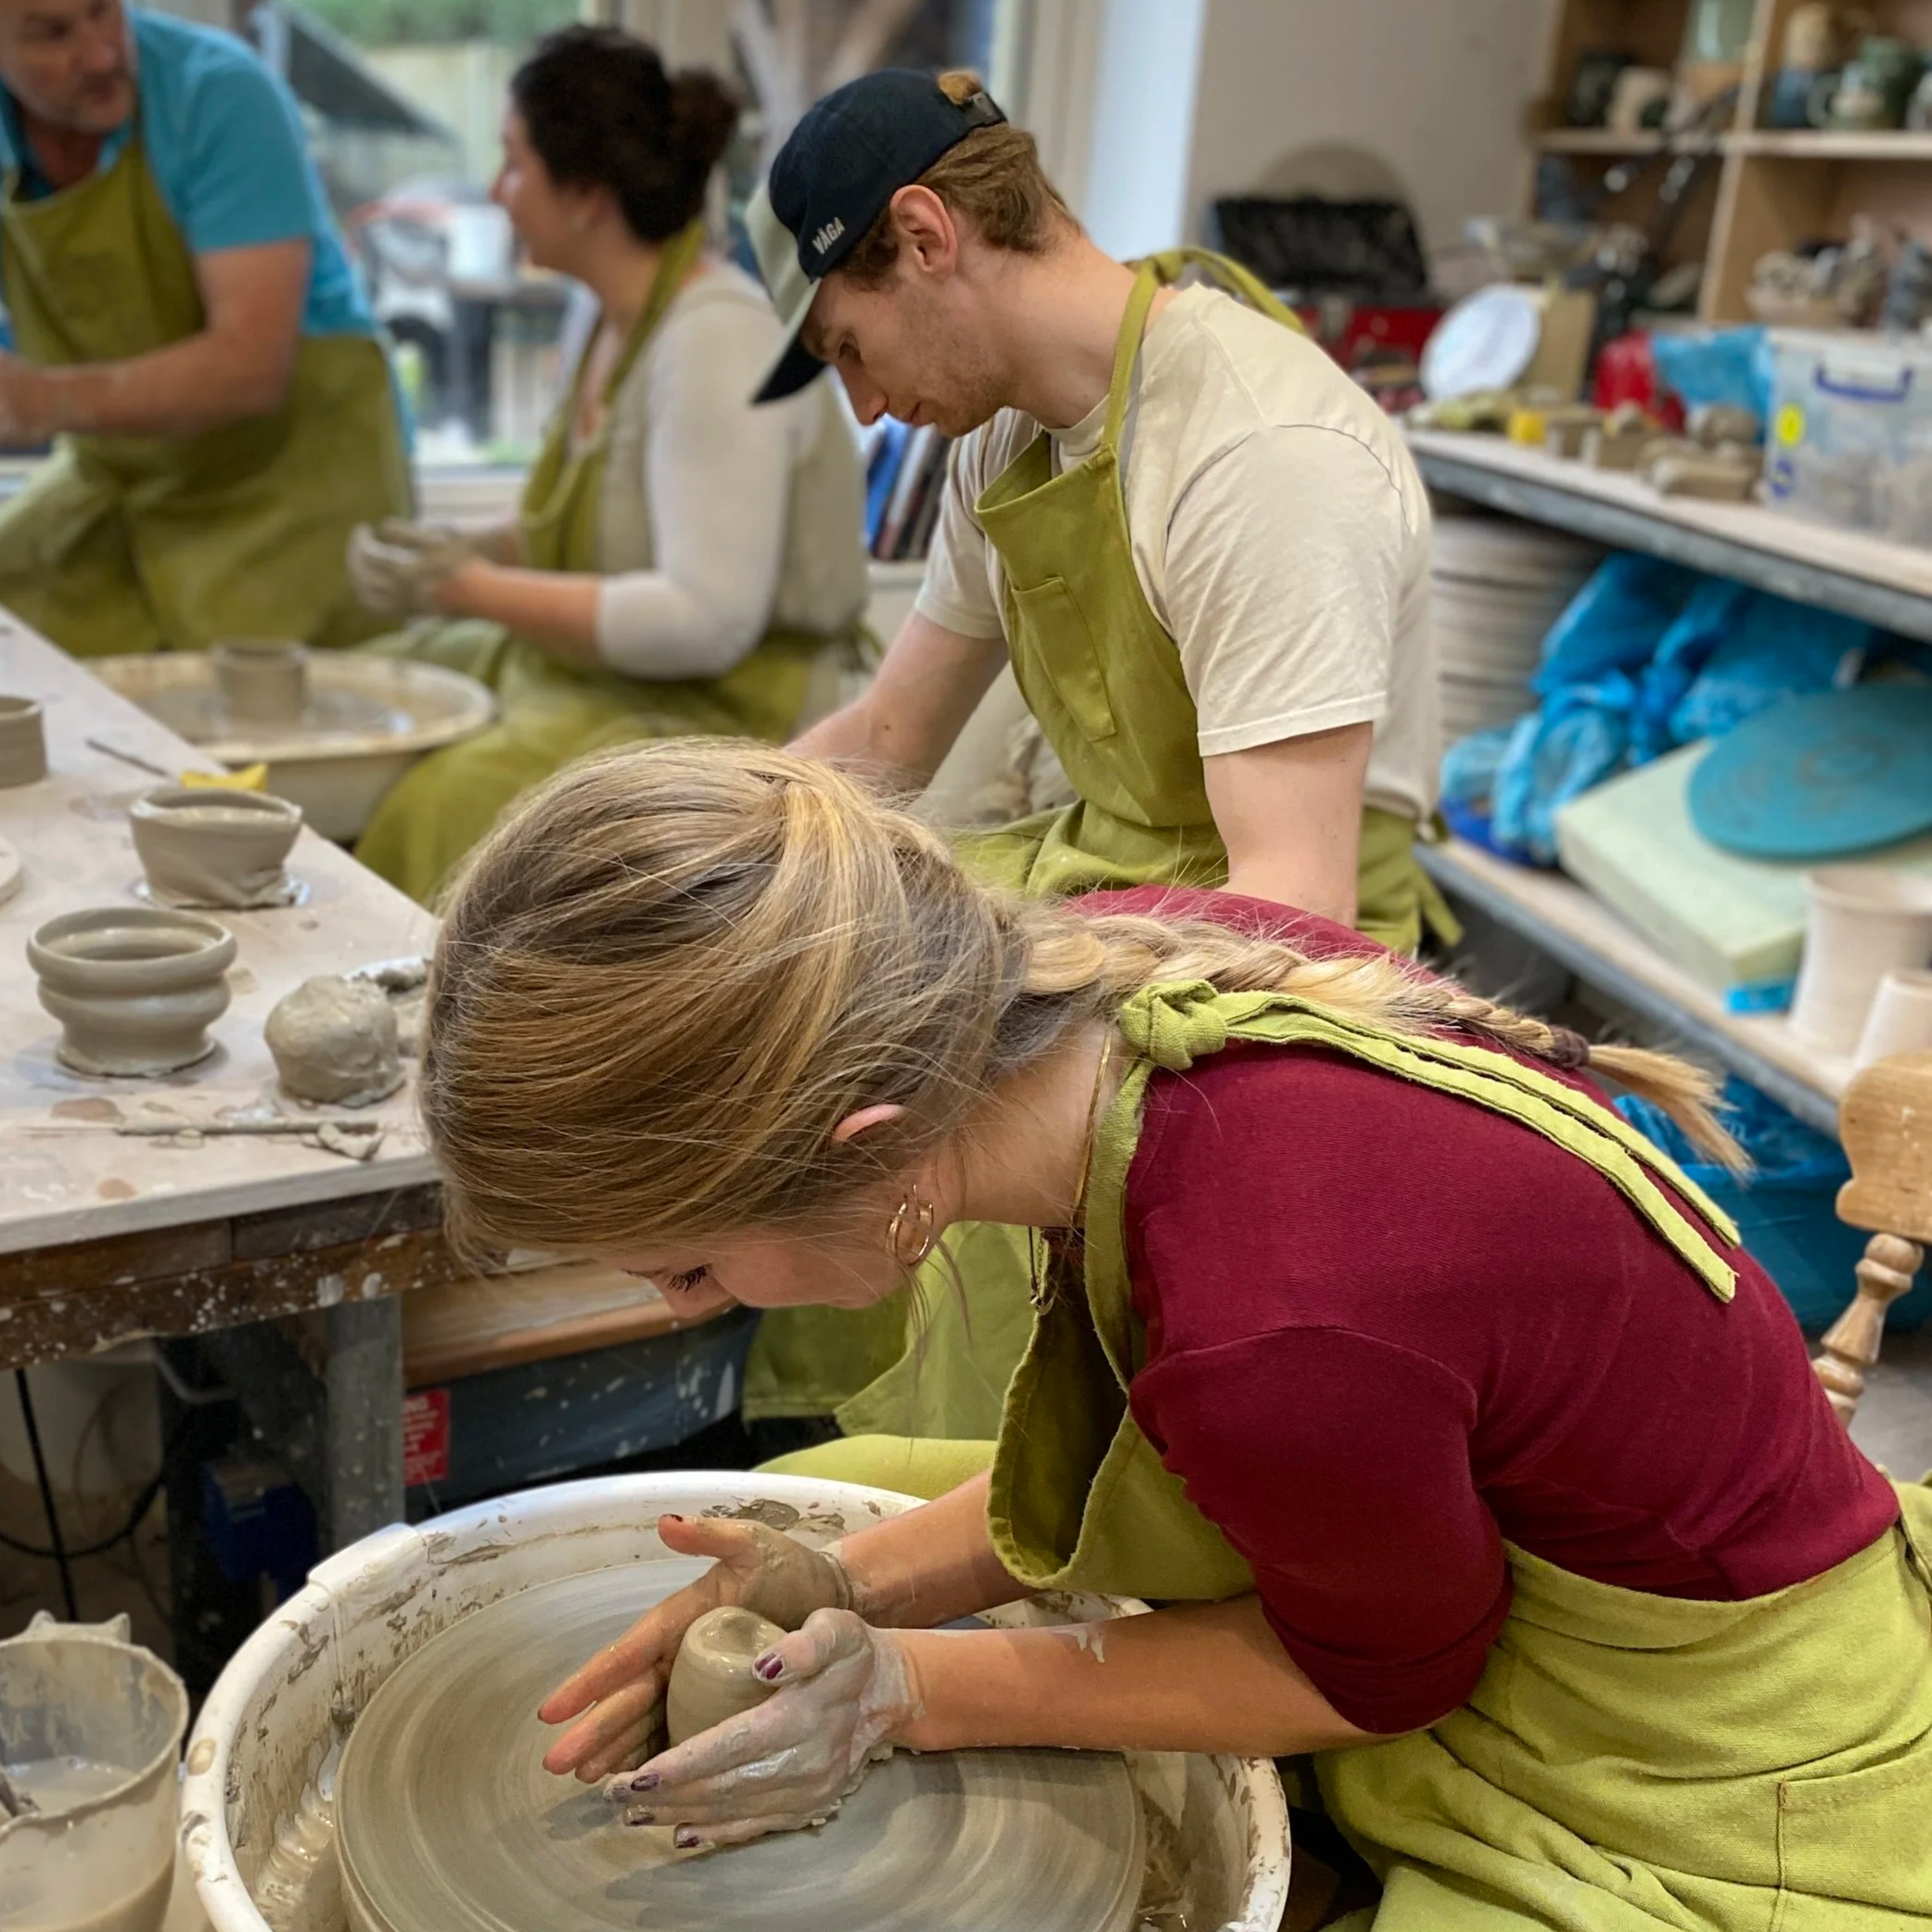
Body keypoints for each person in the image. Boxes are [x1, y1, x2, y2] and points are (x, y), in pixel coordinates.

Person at [418, 739, 1932, 1932]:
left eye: (690, 1267)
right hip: (1454, 1501)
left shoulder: (1273, 1314)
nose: (691, 1308)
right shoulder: (1089, 970)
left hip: (1698, 1741)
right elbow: (1198, 1440)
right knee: (847, 1482)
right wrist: (844, 1582)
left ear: (865, 1140)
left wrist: (904, 1687)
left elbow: (1376, 1677)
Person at [736, 68, 1454, 1441]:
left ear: (927, 235)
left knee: (930, 1100)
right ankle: (902, 1490)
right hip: (1119, 870)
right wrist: (719, 849)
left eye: (849, 349)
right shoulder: (1005, 432)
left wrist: (999, 1008)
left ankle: (1020, 1544)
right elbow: (888, 735)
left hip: (1283, 953)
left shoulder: (1257, 453)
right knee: (816, 1015)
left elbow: (1292, 912)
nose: (868, 411)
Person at [349, 25, 870, 909]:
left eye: (513, 164)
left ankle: (414, 1021)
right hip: (625, 684)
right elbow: (601, 523)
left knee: (445, 797)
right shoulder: (601, 315)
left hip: (731, 713)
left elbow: (704, 620)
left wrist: (469, 587)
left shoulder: (714, 339)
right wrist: (457, 550)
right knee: (380, 684)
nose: (495, 191)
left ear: (586, 192)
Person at [0, 0, 407, 659]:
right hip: (120, 477)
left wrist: (36, 400)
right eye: (51, 34)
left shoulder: (219, 94)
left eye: (103, 12)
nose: (102, 55)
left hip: (285, 479)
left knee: (248, 715)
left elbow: (248, 370)